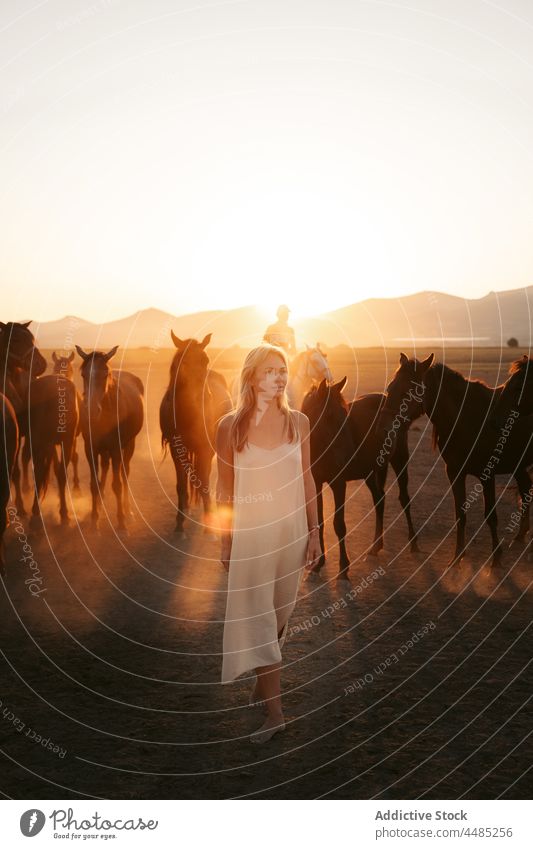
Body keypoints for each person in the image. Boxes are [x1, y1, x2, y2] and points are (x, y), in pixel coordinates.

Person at [216, 343, 321, 744]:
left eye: (282, 370)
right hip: (251, 538)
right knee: (259, 621)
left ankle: (264, 682)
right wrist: (225, 541)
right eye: (268, 371)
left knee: (278, 618)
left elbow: (308, 479)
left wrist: (315, 533)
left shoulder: (300, 422)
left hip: (291, 534)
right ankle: (276, 715)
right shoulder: (230, 426)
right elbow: (225, 491)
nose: (277, 378)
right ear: (251, 376)